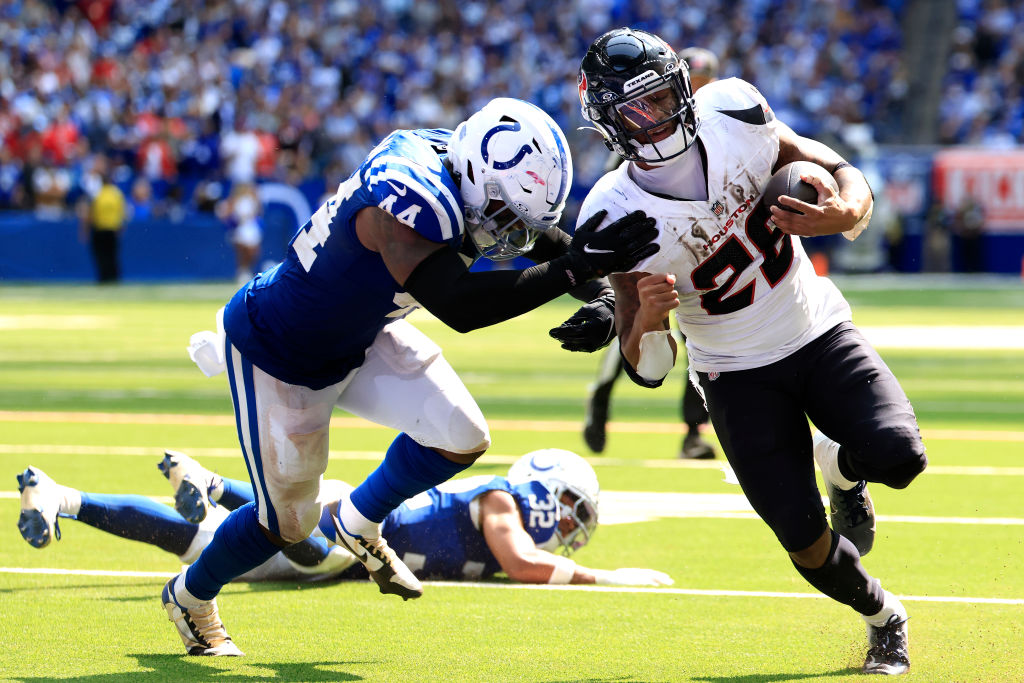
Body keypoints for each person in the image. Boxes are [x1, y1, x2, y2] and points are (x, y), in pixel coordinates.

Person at [161, 97, 659, 656]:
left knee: (462, 435)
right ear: (477, 176)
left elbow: (543, 237)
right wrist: (576, 269)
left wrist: (600, 293)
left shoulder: (471, 172)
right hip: (281, 353)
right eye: (504, 213)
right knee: (288, 524)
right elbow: (459, 305)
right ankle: (190, 596)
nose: (509, 231)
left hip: (361, 333)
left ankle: (358, 521)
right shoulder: (411, 193)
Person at [572, 28, 927, 676]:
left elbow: (839, 169)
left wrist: (847, 211)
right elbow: (647, 368)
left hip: (814, 326)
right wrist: (647, 318)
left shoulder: (734, 111)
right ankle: (886, 618)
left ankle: (841, 468)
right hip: (734, 373)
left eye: (662, 97)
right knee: (805, 543)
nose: (656, 117)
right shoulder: (611, 213)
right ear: (608, 121)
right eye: (636, 108)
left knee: (901, 456)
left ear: (685, 87)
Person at [15, 450, 671, 595]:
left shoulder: (501, 509)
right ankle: (213, 484)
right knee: (305, 544)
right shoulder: (500, 501)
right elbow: (525, 564)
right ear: (545, 489)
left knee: (195, 541)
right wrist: (606, 577)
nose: (570, 526)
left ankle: (60, 496)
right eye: (570, 508)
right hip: (345, 526)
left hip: (335, 552)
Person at [557, 47, 721, 460]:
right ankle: (601, 396)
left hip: (706, 244)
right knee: (634, 322)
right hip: (651, 244)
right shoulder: (637, 133)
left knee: (700, 337)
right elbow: (616, 191)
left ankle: (693, 432)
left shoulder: (718, 127)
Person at [77, 155, 126, 283]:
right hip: (113, 228)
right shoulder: (116, 193)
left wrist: (85, 230)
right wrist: (120, 228)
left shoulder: (97, 194)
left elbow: (89, 213)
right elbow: (122, 213)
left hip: (99, 228)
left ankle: (104, 278)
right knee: (112, 255)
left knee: (101, 255)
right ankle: (114, 278)